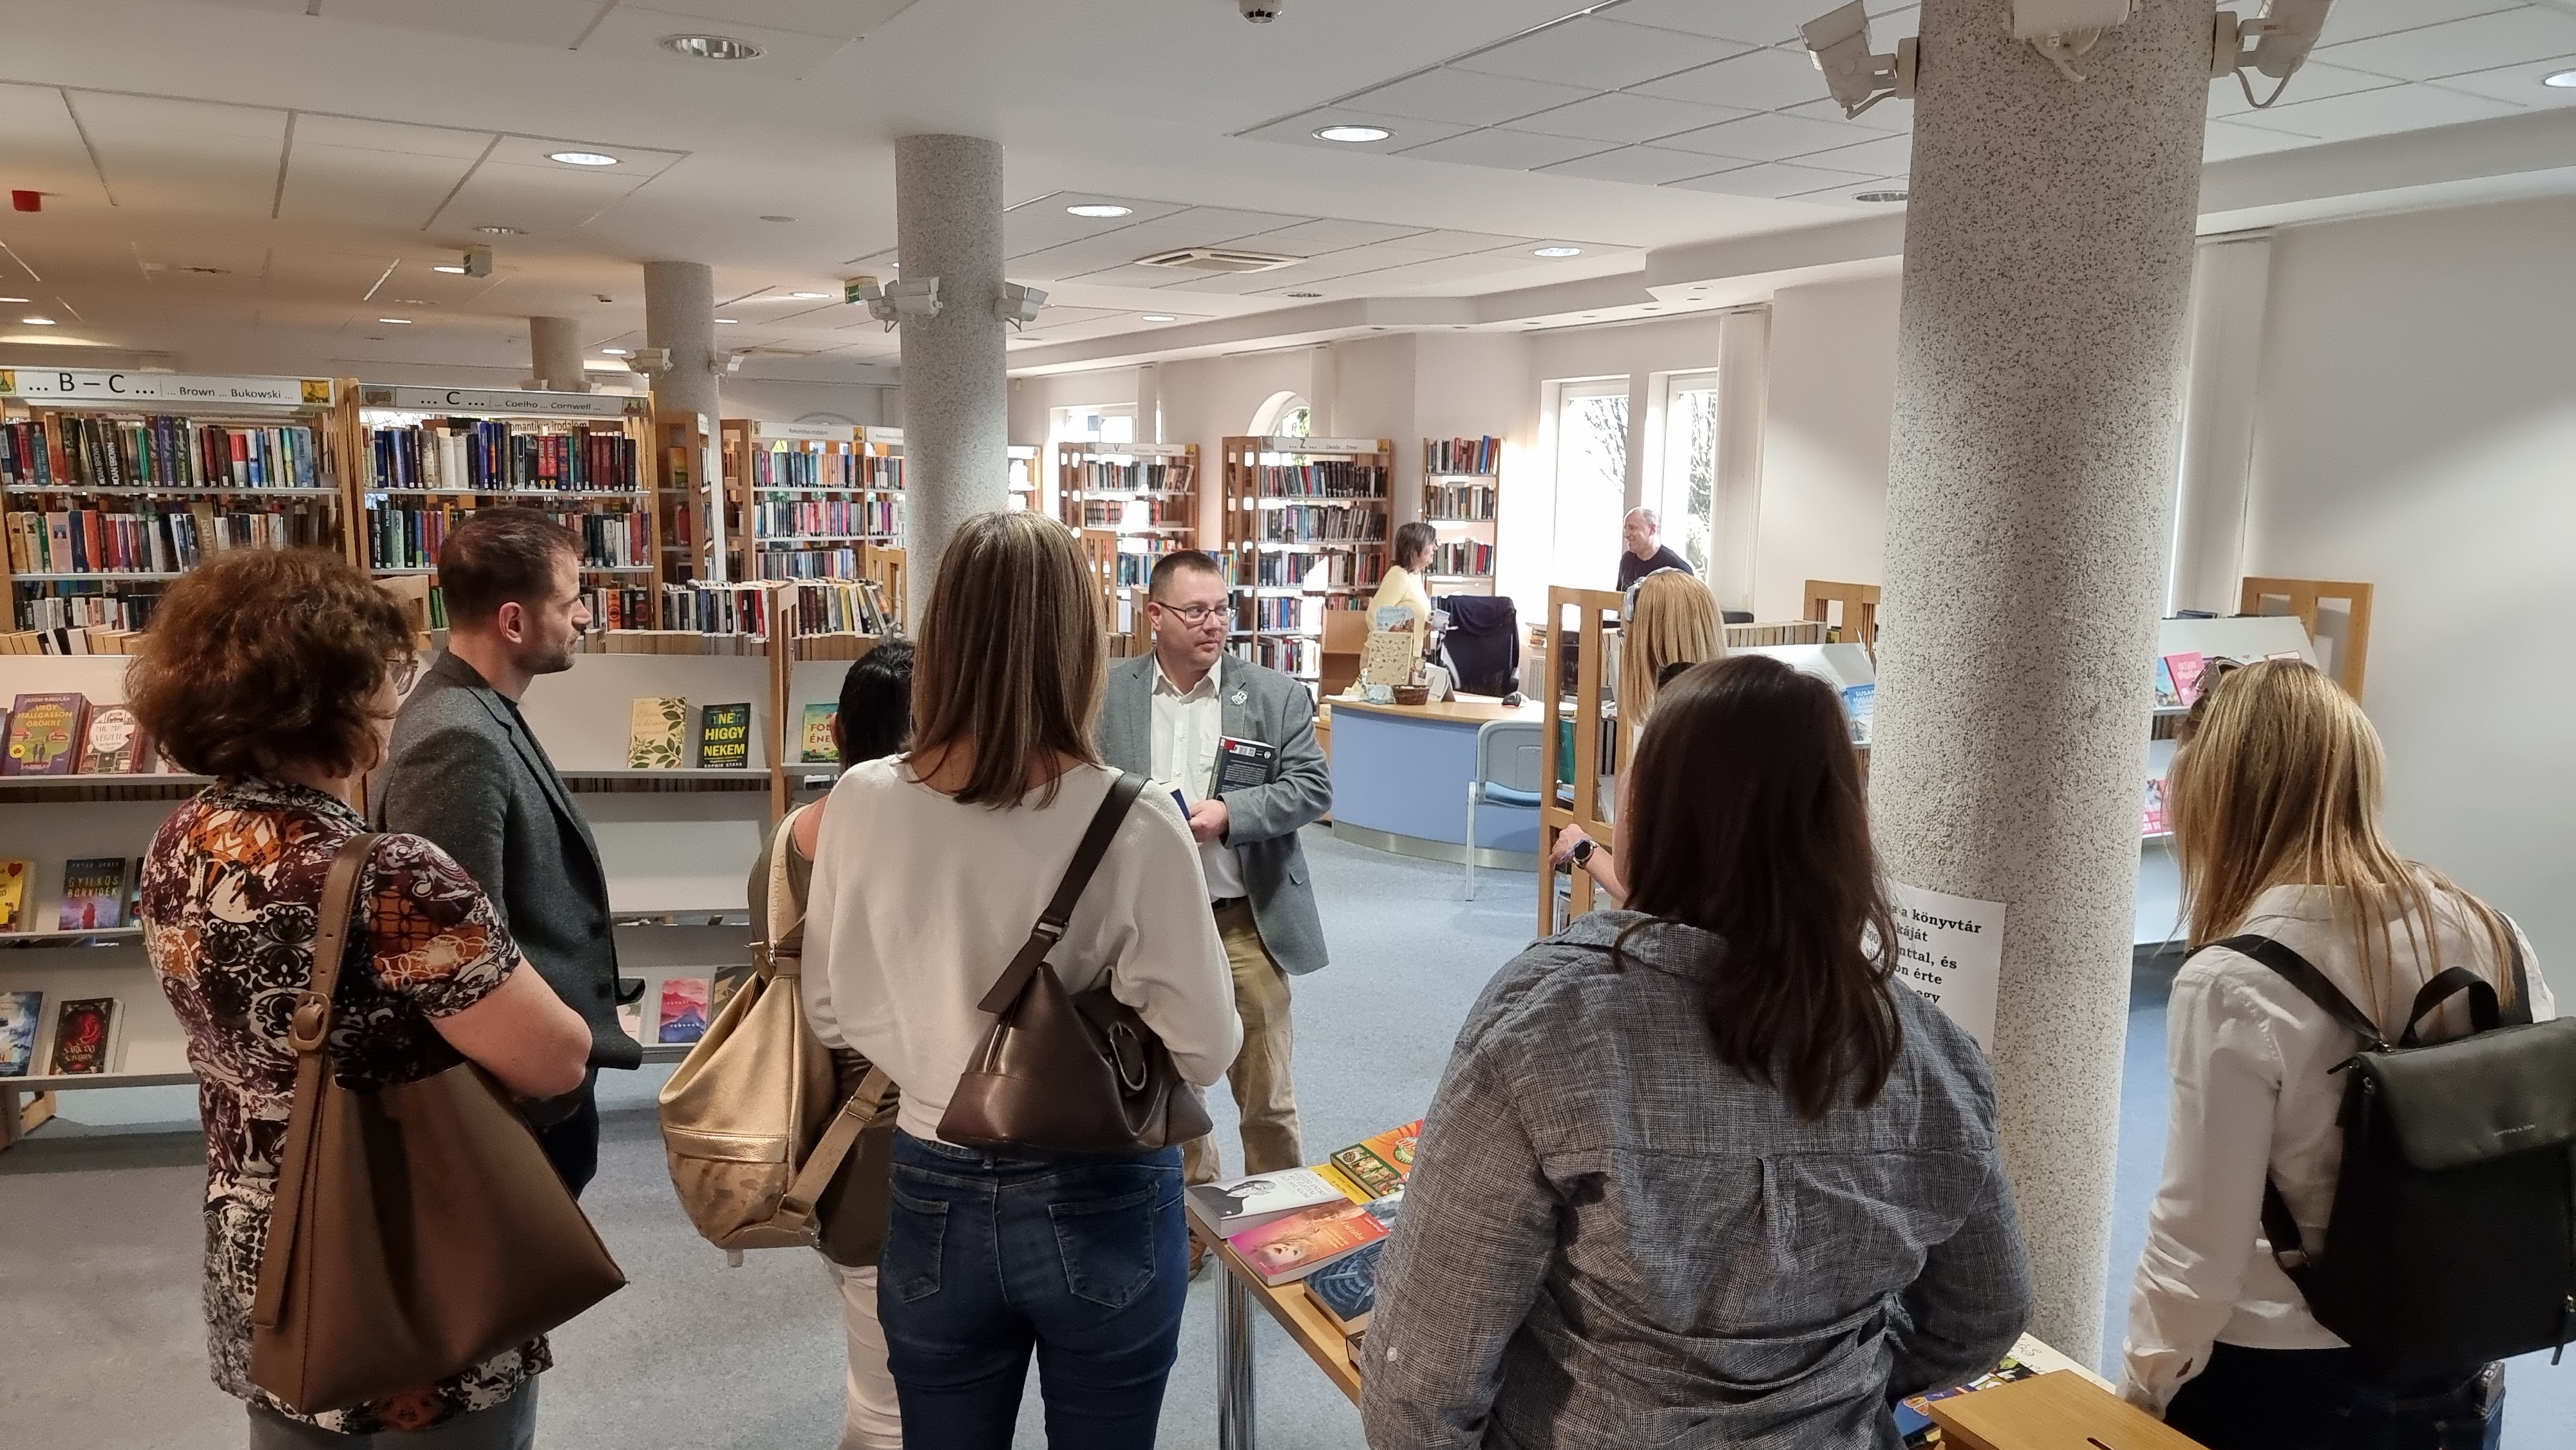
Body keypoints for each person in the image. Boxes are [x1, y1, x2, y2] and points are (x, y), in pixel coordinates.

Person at [1361, 655, 2032, 1449]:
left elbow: (1419, 1378)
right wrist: (1839, 1387)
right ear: (1842, 821)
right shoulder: (1930, 1054)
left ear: (1654, 809)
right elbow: (1985, 1314)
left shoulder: (1552, 1023)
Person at [129, 549, 591, 1447]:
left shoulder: (183, 837)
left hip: (263, 1236)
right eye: (385, 671)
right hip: (402, 1244)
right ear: (334, 693)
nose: (395, 693)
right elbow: (555, 1057)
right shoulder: (391, 875)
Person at [803, 511, 1240, 1449]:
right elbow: (1207, 1049)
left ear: (943, 635)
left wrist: (936, 1041)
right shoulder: (1137, 820)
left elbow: (832, 1011)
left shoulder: (860, 799)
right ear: (1081, 645)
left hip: (928, 1172)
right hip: (1103, 1185)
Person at [2121, 659, 2549, 1448]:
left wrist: (2145, 1385)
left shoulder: (2234, 979)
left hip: (2285, 1382)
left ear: (2223, 797)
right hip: (2461, 1351)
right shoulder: (2495, 932)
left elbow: (2198, 1243)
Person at [375, 508, 639, 1196]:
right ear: (514, 622)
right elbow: (456, 962)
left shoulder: (476, 710)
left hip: (533, 1083)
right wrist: (532, 1089)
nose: (584, 616)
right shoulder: (455, 738)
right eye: (571, 601)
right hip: (512, 1102)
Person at [1099, 549, 1334, 1196]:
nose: (1213, 624)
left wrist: (1230, 813)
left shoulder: (1274, 695)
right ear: (1155, 615)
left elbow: (1312, 788)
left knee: (1266, 1093)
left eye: (1222, 609)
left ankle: (1280, 1216)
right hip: (1148, 928)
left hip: (1243, 923)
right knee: (1173, 1091)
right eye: (1195, 611)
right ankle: (1195, 1223)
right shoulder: (1108, 694)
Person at [744, 641, 916, 1450]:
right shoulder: (929, 847)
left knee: (880, 1380)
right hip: (911, 1137)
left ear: (837, 732)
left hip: (823, 1140)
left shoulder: (786, 842)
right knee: (893, 1408)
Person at [1548, 572, 1726, 901]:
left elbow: (1637, 888)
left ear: (1643, 650)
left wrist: (1582, 848)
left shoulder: (1657, 763)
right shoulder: (1741, 737)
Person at [1371, 520, 1439, 654]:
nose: (1435, 548)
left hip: (1408, 658)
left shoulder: (1416, 576)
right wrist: (1392, 649)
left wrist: (1425, 626)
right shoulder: (1399, 576)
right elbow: (1374, 616)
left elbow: (1410, 625)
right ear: (1416, 545)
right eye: (1431, 543)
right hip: (1390, 659)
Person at [1615, 505, 1693, 590]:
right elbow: (1618, 596)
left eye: (1632, 528)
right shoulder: (1627, 560)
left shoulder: (1676, 567)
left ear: (1652, 529)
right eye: (1625, 528)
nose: (1626, 534)